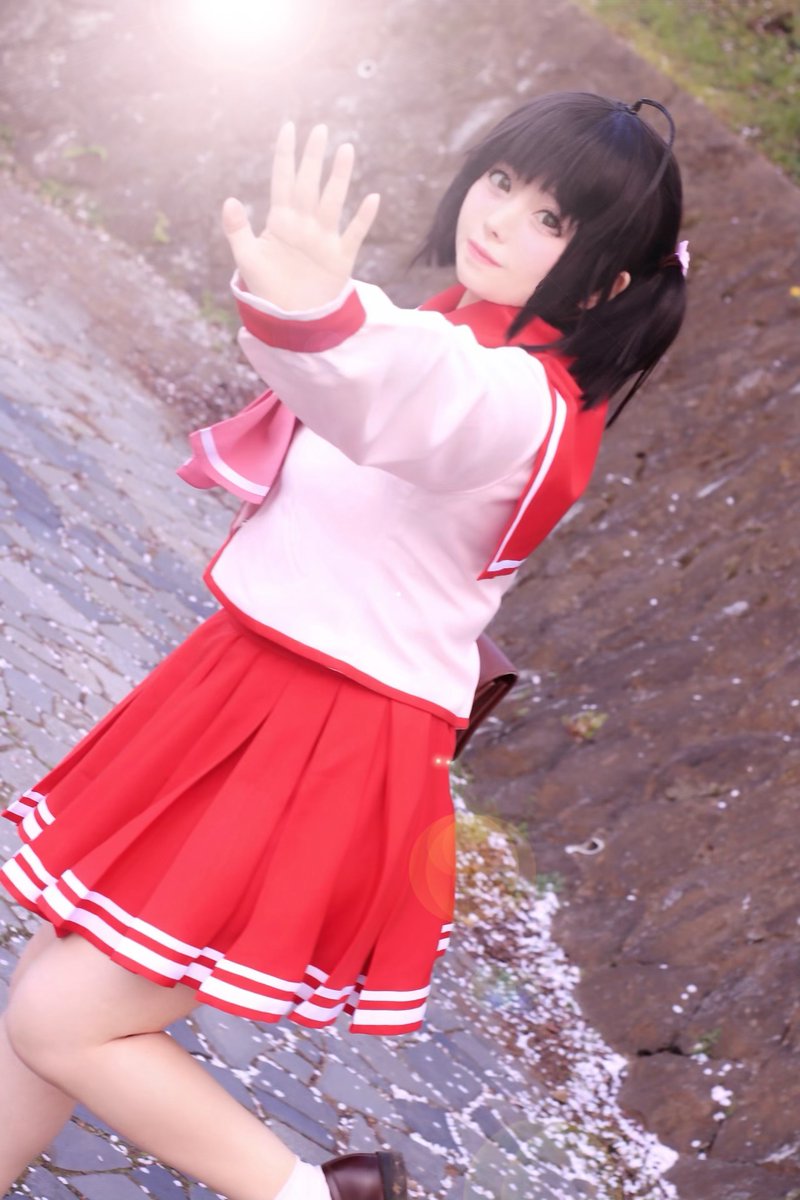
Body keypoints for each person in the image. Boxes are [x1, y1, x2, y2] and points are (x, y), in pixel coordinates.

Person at [0, 92, 687, 1200]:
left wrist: (317, 306)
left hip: (325, 740)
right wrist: (313, 308)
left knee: (60, 1016)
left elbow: (389, 393)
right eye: (503, 180)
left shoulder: (523, 400)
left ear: (606, 284)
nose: (499, 217)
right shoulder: (453, 330)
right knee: (53, 984)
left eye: (551, 219)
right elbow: (373, 364)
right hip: (250, 690)